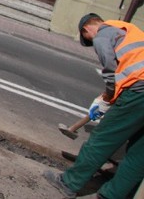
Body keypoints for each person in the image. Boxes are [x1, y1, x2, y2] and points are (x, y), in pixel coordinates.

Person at [43, 13, 144, 199]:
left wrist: (109, 96)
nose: (92, 43)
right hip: (139, 88)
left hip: (139, 92)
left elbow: (110, 68)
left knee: (102, 139)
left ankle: (69, 183)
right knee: (140, 153)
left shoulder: (102, 34)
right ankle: (112, 195)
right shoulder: (129, 31)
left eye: (87, 40)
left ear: (86, 30)